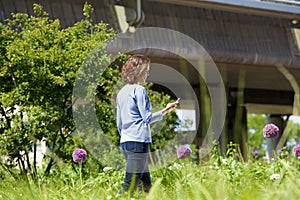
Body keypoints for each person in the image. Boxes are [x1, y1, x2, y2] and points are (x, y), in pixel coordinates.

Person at [116, 54, 179, 194]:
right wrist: (164, 111)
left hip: (126, 143)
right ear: (137, 71)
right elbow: (147, 118)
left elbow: (119, 123)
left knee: (146, 187)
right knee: (129, 186)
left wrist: (127, 136)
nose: (147, 74)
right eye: (146, 70)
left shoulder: (121, 92)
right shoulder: (139, 90)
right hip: (138, 142)